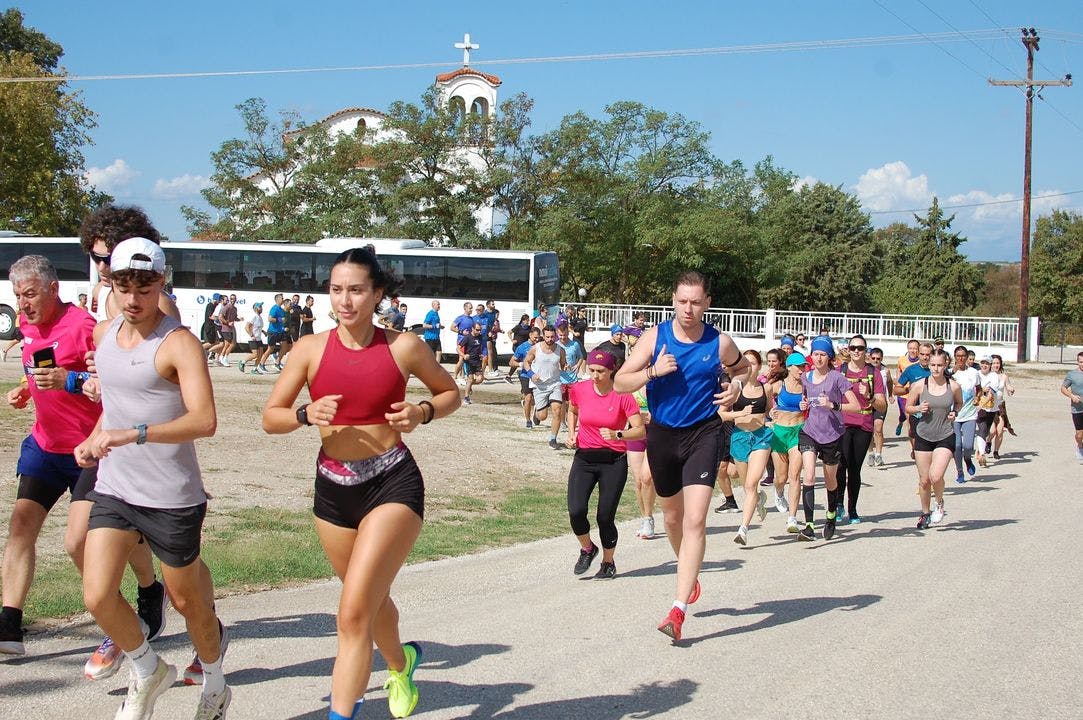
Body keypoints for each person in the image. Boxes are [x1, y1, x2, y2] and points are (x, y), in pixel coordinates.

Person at [262, 247, 459, 720]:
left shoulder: (403, 345)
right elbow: (271, 417)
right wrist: (305, 414)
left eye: (355, 290)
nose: (344, 300)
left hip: (392, 482)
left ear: (377, 295)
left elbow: (448, 392)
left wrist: (422, 412)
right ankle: (401, 661)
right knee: (368, 600)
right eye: (336, 290)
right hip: (333, 489)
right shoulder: (309, 349)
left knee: (351, 615)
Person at [73, 238, 230, 718]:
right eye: (125, 286)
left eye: (145, 286)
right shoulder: (104, 335)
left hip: (171, 496)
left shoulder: (177, 342)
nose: (135, 298)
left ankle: (216, 683)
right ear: (112, 285)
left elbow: (204, 420)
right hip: (116, 488)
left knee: (189, 604)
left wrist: (131, 434)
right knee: (98, 594)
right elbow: (116, 408)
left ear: (162, 282)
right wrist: (96, 436)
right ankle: (148, 667)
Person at [615, 270, 747, 642]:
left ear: (707, 303)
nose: (688, 308)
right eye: (682, 301)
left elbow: (742, 368)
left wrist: (735, 386)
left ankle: (677, 609)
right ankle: (689, 572)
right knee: (672, 518)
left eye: (696, 301)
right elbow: (621, 380)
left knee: (695, 520)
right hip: (662, 434)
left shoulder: (719, 341)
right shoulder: (654, 337)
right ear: (673, 300)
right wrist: (653, 371)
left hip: (704, 433)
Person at [0, 256, 101, 658]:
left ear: (53, 289)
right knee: (21, 527)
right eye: (17, 296)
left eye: (30, 294)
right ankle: (9, 621)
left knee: (80, 543)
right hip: (45, 446)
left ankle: (139, 596)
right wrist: (27, 389)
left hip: (87, 451)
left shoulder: (83, 326)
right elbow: (41, 367)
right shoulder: (28, 325)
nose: (22, 305)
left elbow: (112, 382)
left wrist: (70, 381)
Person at [564, 350, 645, 578]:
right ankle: (588, 548)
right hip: (584, 458)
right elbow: (572, 410)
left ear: (612, 371)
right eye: (591, 370)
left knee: (604, 517)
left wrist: (618, 434)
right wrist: (571, 434)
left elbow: (639, 430)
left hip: (613, 461)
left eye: (601, 371)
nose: (595, 375)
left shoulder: (624, 395)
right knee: (576, 510)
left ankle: (608, 563)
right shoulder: (579, 389)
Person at [796, 337, 860, 541]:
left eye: (823, 354)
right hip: (810, 432)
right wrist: (803, 405)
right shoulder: (805, 377)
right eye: (815, 354)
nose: (819, 358)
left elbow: (856, 406)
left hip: (833, 435)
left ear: (829, 356)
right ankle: (808, 526)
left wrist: (833, 405)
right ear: (811, 356)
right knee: (809, 476)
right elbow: (805, 400)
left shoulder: (837, 378)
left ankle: (831, 515)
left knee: (831, 479)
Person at [719, 350, 774, 546]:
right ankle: (759, 499)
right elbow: (721, 415)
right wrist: (739, 413)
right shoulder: (734, 389)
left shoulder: (765, 388)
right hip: (740, 437)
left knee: (751, 484)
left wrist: (772, 415)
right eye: (746, 363)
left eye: (754, 363)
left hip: (761, 437)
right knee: (745, 486)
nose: (750, 367)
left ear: (760, 366)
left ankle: (743, 529)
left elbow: (769, 410)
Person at [905, 349, 963, 529]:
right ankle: (925, 513)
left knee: (936, 475)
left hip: (945, 435)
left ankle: (939, 503)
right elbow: (908, 407)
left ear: (946, 365)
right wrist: (918, 409)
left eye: (939, 365)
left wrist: (955, 412)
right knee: (924, 480)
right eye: (932, 365)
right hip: (923, 435)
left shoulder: (953, 386)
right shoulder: (920, 385)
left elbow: (959, 403)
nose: (936, 369)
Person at [834, 335, 887, 523]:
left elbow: (882, 406)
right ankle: (838, 504)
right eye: (853, 347)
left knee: (855, 469)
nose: (856, 351)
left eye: (861, 348)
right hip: (842, 424)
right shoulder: (839, 371)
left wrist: (870, 396)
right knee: (841, 464)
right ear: (848, 349)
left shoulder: (874, 373)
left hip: (863, 424)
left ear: (866, 351)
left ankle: (852, 509)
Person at [769, 352, 807, 533]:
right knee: (781, 478)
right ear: (790, 367)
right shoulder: (778, 386)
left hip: (798, 432)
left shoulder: (807, 387)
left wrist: (808, 407)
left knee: (795, 476)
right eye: (798, 366)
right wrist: (770, 413)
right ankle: (778, 492)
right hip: (779, 433)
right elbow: (763, 402)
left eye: (803, 366)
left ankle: (792, 518)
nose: (801, 369)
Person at [523, 325, 567, 449]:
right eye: (547, 337)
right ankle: (537, 414)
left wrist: (565, 368)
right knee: (543, 416)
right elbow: (526, 362)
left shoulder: (560, 350)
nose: (550, 339)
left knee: (557, 410)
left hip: (555, 384)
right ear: (543, 336)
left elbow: (563, 365)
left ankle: (553, 439)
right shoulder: (535, 348)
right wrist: (531, 374)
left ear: (556, 336)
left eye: (552, 337)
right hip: (540, 385)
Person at [949, 345, 982, 484]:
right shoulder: (949, 373)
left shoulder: (974, 372)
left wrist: (977, 397)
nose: (961, 358)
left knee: (968, 446)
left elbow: (979, 389)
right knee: (957, 446)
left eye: (963, 356)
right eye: (958, 356)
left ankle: (967, 459)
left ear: (967, 356)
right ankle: (960, 471)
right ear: (954, 357)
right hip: (954, 415)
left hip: (969, 414)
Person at [894, 342, 933, 458]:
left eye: (928, 354)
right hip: (916, 411)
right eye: (922, 354)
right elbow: (896, 390)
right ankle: (916, 450)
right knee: (913, 433)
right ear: (918, 354)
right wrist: (909, 389)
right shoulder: (911, 370)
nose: (925, 357)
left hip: (933, 411)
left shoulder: (938, 370)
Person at [867, 348, 892, 467]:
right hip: (867, 403)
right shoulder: (866, 370)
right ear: (869, 358)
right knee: (868, 430)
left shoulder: (885, 371)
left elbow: (890, 383)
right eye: (873, 358)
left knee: (878, 428)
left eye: (878, 359)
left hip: (881, 403)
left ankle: (878, 454)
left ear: (882, 359)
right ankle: (870, 453)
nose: (876, 361)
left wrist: (891, 395)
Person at [987, 355, 1016, 459]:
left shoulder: (1004, 376)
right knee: (992, 431)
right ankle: (988, 441)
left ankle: (996, 451)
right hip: (989, 406)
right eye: (994, 363)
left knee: (1000, 430)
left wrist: (1011, 389)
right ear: (990, 364)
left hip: (1000, 406)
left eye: (998, 363)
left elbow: (1008, 387)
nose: (996, 365)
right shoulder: (988, 375)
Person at [895, 339, 921, 436]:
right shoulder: (902, 360)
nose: (913, 351)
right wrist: (899, 384)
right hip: (904, 395)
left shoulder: (921, 361)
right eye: (910, 348)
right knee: (908, 417)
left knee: (913, 417)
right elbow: (898, 371)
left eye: (915, 348)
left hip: (917, 395)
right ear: (907, 349)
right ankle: (913, 447)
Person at [1061, 351, 1083, 463]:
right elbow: (1063, 388)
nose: (1082, 364)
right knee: (1080, 434)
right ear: (1077, 362)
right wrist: (1072, 396)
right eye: (1080, 362)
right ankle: (1080, 446)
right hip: (1077, 409)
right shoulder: (1072, 374)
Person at [260, 296, 292, 372]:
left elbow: (283, 321)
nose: (283, 299)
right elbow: (270, 319)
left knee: (285, 347)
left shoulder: (281, 310)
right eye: (282, 298)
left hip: (280, 332)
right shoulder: (274, 308)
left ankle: (277, 363)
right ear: (277, 300)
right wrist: (279, 319)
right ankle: (261, 364)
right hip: (273, 332)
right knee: (270, 349)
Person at [457, 321, 485, 405]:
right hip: (468, 361)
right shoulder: (467, 338)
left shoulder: (480, 337)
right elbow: (458, 348)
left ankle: (469, 386)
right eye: (477, 330)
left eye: (480, 330)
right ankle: (466, 397)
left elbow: (479, 347)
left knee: (480, 379)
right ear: (472, 329)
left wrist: (480, 354)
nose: (479, 331)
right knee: (470, 378)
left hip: (477, 361)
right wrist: (463, 355)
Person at [240, 302, 266, 374]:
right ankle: (242, 362)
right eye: (260, 307)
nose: (261, 308)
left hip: (258, 339)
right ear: (256, 308)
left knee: (260, 354)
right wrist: (251, 335)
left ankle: (254, 369)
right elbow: (247, 327)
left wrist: (263, 332)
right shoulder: (253, 316)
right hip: (253, 339)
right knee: (255, 354)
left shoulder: (259, 317)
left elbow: (257, 327)